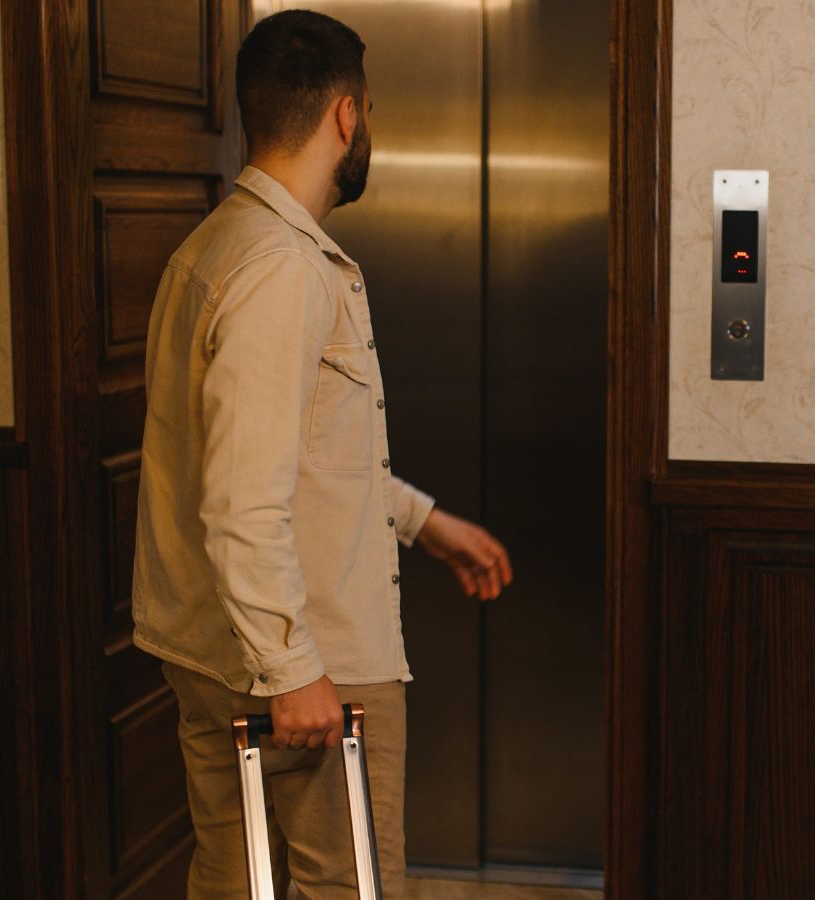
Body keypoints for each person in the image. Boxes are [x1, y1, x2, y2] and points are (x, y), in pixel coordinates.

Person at [128, 10, 513, 898]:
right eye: (369, 113)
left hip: (216, 646)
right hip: (303, 658)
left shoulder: (213, 248)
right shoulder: (282, 267)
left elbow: (288, 455)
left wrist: (423, 523)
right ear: (347, 115)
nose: (368, 130)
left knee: (232, 880)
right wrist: (296, 666)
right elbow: (241, 495)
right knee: (350, 887)